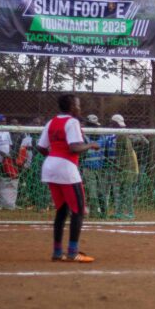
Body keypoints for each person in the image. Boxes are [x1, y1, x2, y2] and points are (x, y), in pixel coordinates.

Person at [35, 94, 100, 262]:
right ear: (71, 106)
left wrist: (54, 156)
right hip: (66, 168)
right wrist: (91, 145)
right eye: (78, 105)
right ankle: (72, 252)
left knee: (62, 211)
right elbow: (73, 148)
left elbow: (41, 147)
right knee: (78, 210)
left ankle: (57, 252)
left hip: (50, 167)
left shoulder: (51, 122)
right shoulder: (72, 122)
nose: (79, 108)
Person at [81, 114, 105, 218]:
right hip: (88, 168)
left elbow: (100, 147)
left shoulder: (101, 136)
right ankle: (94, 213)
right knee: (91, 191)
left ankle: (103, 213)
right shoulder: (83, 136)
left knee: (100, 191)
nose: (96, 128)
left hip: (99, 168)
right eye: (93, 126)